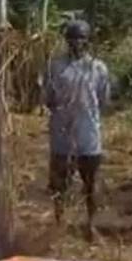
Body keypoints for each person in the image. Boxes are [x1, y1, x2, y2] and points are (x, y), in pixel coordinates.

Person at [44, 20, 111, 239]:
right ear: (66, 40)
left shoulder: (98, 68)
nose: (77, 42)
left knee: (91, 183)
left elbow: (103, 100)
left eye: (81, 37)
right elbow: (49, 98)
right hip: (62, 134)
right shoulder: (55, 67)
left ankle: (91, 224)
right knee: (59, 184)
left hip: (89, 134)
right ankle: (59, 224)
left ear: (88, 40)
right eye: (72, 37)